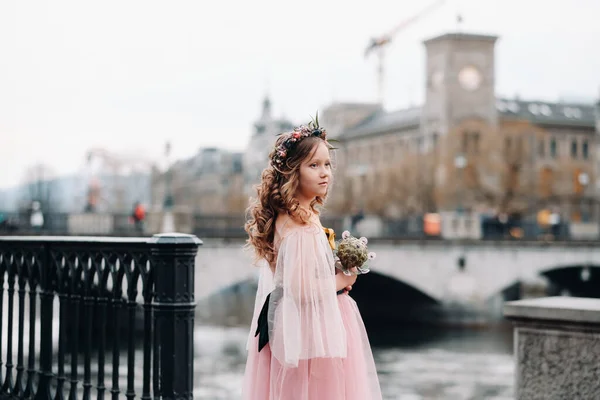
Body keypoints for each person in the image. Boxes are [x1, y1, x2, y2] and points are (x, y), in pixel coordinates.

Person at [242, 117, 382, 400]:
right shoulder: (301, 227)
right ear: (293, 172)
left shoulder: (291, 216)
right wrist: (343, 278)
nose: (325, 173)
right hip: (312, 328)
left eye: (328, 164)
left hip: (294, 323)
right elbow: (301, 289)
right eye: (314, 165)